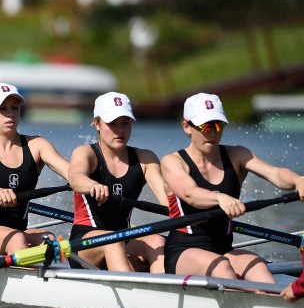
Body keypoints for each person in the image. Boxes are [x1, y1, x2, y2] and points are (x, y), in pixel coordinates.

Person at [161, 92, 304, 282]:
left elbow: (275, 174)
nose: (213, 132)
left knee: (260, 269)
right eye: (206, 126)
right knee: (223, 268)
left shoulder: (237, 155)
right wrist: (219, 197)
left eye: (218, 125)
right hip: (184, 252)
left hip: (224, 251)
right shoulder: (172, 162)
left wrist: (298, 180)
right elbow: (190, 194)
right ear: (187, 126)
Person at [0, 83, 69, 255]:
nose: (10, 114)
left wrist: (93, 182)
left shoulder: (37, 145)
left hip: (17, 231)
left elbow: (72, 173)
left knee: (50, 241)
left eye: (15, 107)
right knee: (18, 239)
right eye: (2, 108)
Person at [67, 92, 168, 272]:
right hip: (85, 242)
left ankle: (167, 292)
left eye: (125, 123)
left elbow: (167, 199)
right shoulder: (86, 153)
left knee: (158, 241)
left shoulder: (145, 158)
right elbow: (75, 178)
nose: (119, 130)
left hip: (123, 237)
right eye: (112, 123)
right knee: (113, 243)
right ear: (97, 124)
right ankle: (133, 293)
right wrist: (92, 185)